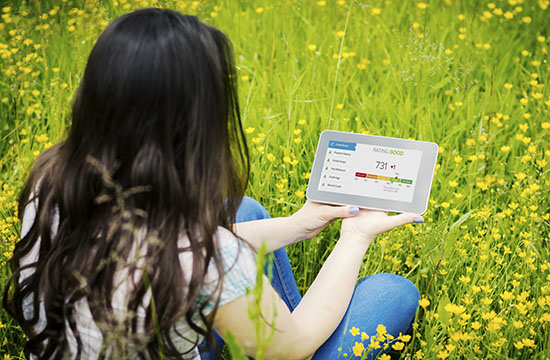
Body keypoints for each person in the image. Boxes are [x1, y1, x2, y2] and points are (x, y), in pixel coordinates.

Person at [3, 8, 421, 360]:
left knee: (246, 211)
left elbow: (168, 245)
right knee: (392, 293)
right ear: (195, 124)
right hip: (274, 341)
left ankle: (259, 319)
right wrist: (355, 236)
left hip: (125, 336)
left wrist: (299, 225)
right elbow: (293, 347)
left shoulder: (51, 179)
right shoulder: (206, 260)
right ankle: (271, 322)